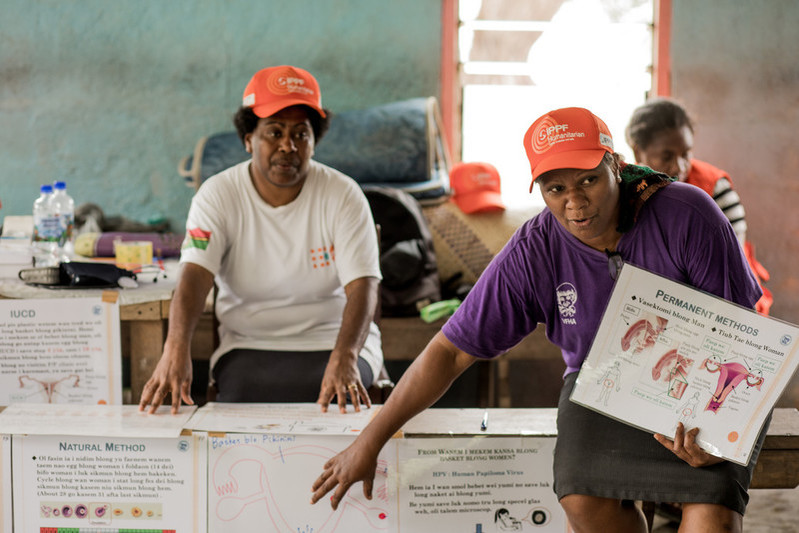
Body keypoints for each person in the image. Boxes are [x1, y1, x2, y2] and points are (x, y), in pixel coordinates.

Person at [311, 107, 768, 532]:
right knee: (582, 501)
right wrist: (369, 440)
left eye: (588, 180)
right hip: (601, 385)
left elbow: (742, 340)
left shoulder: (687, 214)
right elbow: (450, 352)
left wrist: (717, 433)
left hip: (706, 386)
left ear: (616, 166)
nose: (575, 203)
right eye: (556, 189)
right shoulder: (536, 248)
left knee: (711, 519)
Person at [138, 65, 383, 415]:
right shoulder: (217, 195)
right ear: (248, 139)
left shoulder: (343, 195)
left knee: (341, 406)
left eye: (301, 134)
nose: (288, 145)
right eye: (274, 132)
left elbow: (363, 287)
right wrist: (175, 348)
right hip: (248, 343)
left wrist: (345, 356)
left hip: (335, 342)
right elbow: (194, 275)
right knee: (239, 400)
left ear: (314, 142)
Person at [626, 97, 772, 315]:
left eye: (686, 153)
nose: (679, 166)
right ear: (638, 153)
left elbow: (732, 265)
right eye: (666, 156)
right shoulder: (626, 191)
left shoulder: (714, 187)